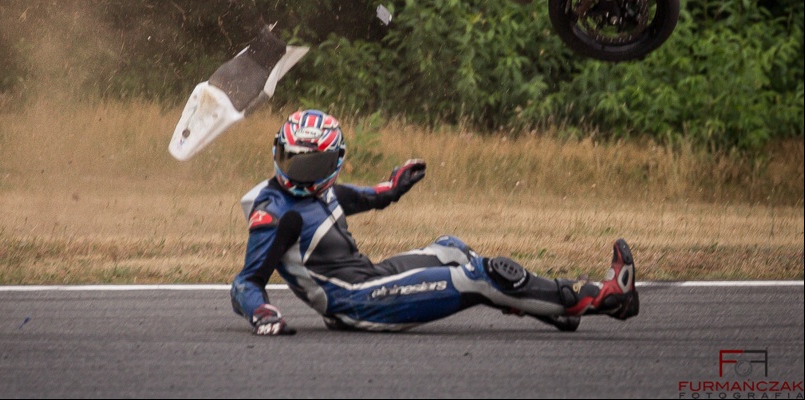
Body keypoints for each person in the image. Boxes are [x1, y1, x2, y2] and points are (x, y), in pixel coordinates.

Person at [230, 109, 639, 335]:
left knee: (452, 247)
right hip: (354, 302)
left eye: (312, 163)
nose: (299, 173)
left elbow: (363, 196)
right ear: (277, 152)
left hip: (369, 277)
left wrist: (394, 186)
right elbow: (246, 282)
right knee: (479, 276)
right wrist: (262, 312)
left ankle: (552, 309)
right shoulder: (276, 212)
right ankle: (598, 298)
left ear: (334, 162)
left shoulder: (320, 191)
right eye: (292, 160)